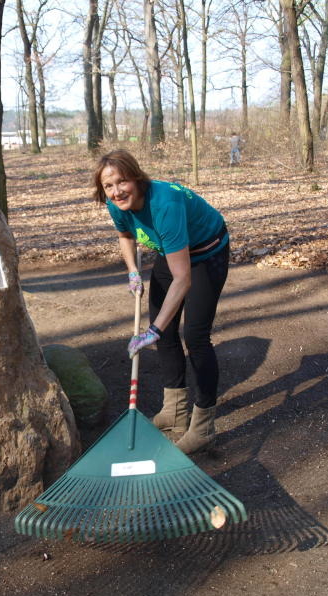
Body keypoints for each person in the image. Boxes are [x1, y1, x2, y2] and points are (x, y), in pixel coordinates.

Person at [93, 149, 230, 454]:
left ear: (137, 178)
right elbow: (126, 235)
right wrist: (131, 271)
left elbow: (183, 279)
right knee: (165, 331)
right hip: (173, 251)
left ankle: (204, 425)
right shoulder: (117, 204)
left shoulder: (164, 204)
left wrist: (151, 330)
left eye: (122, 182)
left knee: (195, 336)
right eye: (109, 186)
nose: (116, 191)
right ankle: (176, 411)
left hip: (206, 253)